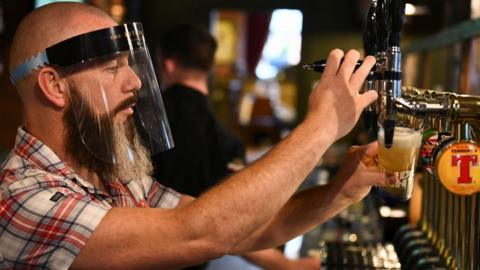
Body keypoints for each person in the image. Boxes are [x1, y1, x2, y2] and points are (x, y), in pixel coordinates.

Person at [0, 2, 393, 269]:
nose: (135, 80)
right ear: (54, 86)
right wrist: (322, 126)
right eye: (109, 69)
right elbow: (198, 233)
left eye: (128, 65)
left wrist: (338, 191)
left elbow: (242, 226)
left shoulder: (115, 178)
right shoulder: (23, 201)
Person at [153, 24, 320, 270]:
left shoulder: (143, 119)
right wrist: (286, 264)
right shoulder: (227, 140)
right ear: (209, 68)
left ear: (167, 64)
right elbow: (235, 222)